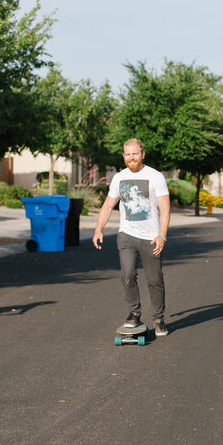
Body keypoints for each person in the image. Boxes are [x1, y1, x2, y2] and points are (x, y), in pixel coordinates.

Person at [93, 138, 172, 336]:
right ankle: (134, 313)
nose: (131, 158)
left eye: (135, 153)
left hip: (151, 237)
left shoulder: (155, 176)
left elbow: (165, 208)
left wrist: (162, 235)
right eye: (128, 154)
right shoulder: (119, 178)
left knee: (154, 280)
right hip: (127, 235)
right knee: (127, 274)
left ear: (142, 154)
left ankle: (159, 318)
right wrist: (98, 229)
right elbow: (108, 206)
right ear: (123, 156)